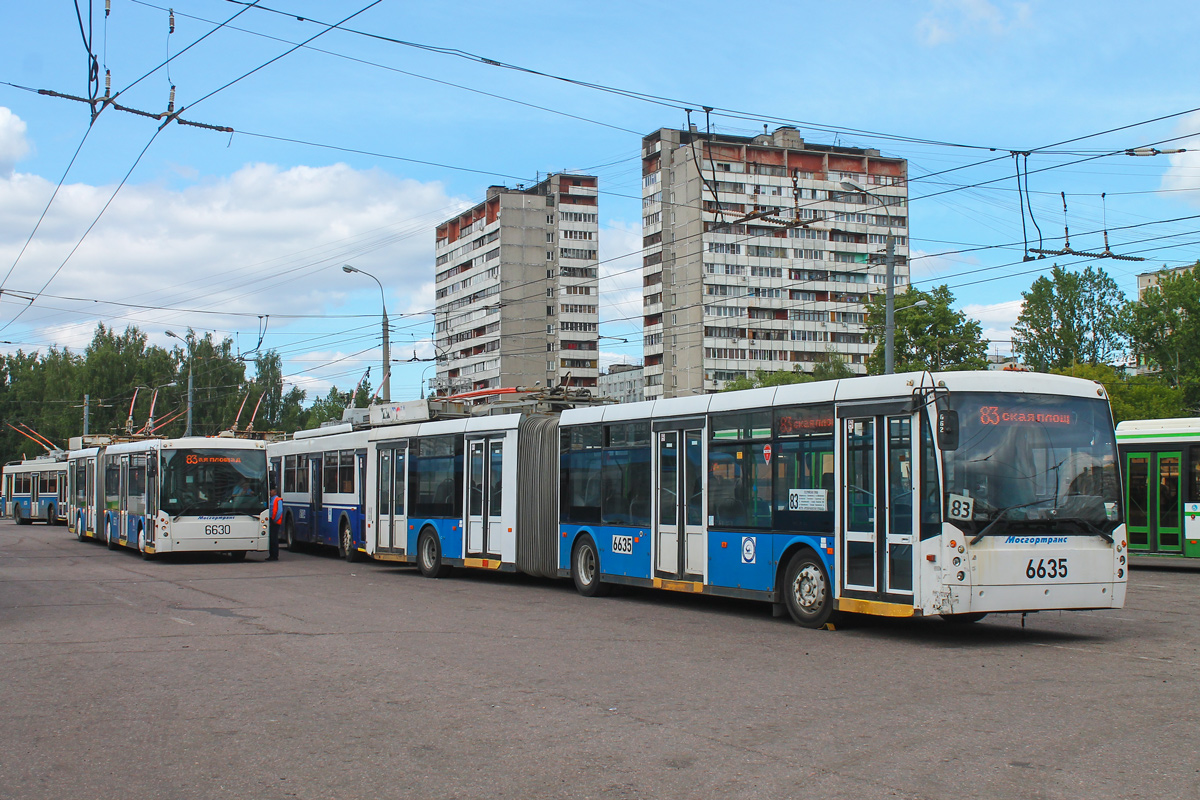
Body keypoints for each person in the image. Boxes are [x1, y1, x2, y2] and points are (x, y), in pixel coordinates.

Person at [267, 485, 283, 561]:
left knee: (274, 539)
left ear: (275, 492)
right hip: (271, 520)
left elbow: (279, 511)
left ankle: (275, 555)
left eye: (271, 490)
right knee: (271, 538)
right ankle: (271, 555)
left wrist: (275, 520)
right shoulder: (270, 499)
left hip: (275, 522)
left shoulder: (277, 499)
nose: (270, 492)